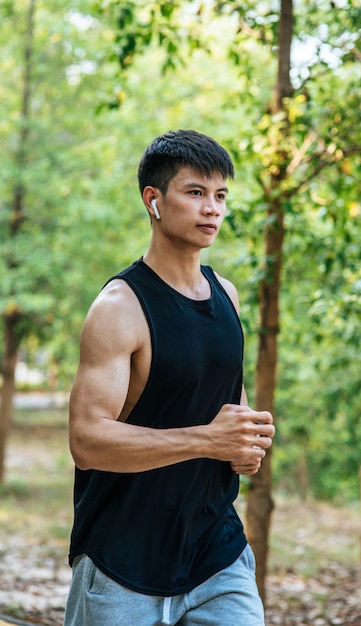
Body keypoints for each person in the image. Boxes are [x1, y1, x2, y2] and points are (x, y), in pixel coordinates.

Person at [64, 129, 275, 626]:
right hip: (123, 562)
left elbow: (227, 401)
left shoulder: (227, 295)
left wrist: (246, 441)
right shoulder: (119, 308)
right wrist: (207, 441)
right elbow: (88, 440)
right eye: (196, 192)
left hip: (216, 554)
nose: (213, 209)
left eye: (220, 195)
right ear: (153, 201)